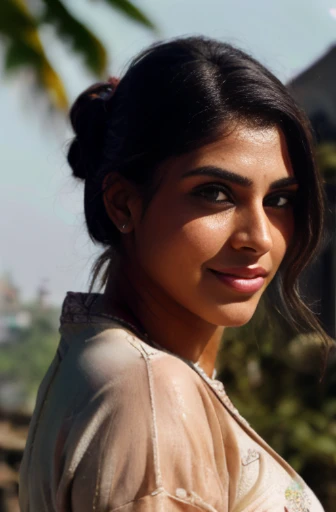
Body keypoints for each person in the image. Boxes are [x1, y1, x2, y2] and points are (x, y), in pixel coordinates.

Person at [19, 36, 327, 511]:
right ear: (124, 202)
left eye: (279, 200)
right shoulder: (150, 392)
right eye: (216, 193)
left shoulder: (106, 365)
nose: (260, 237)